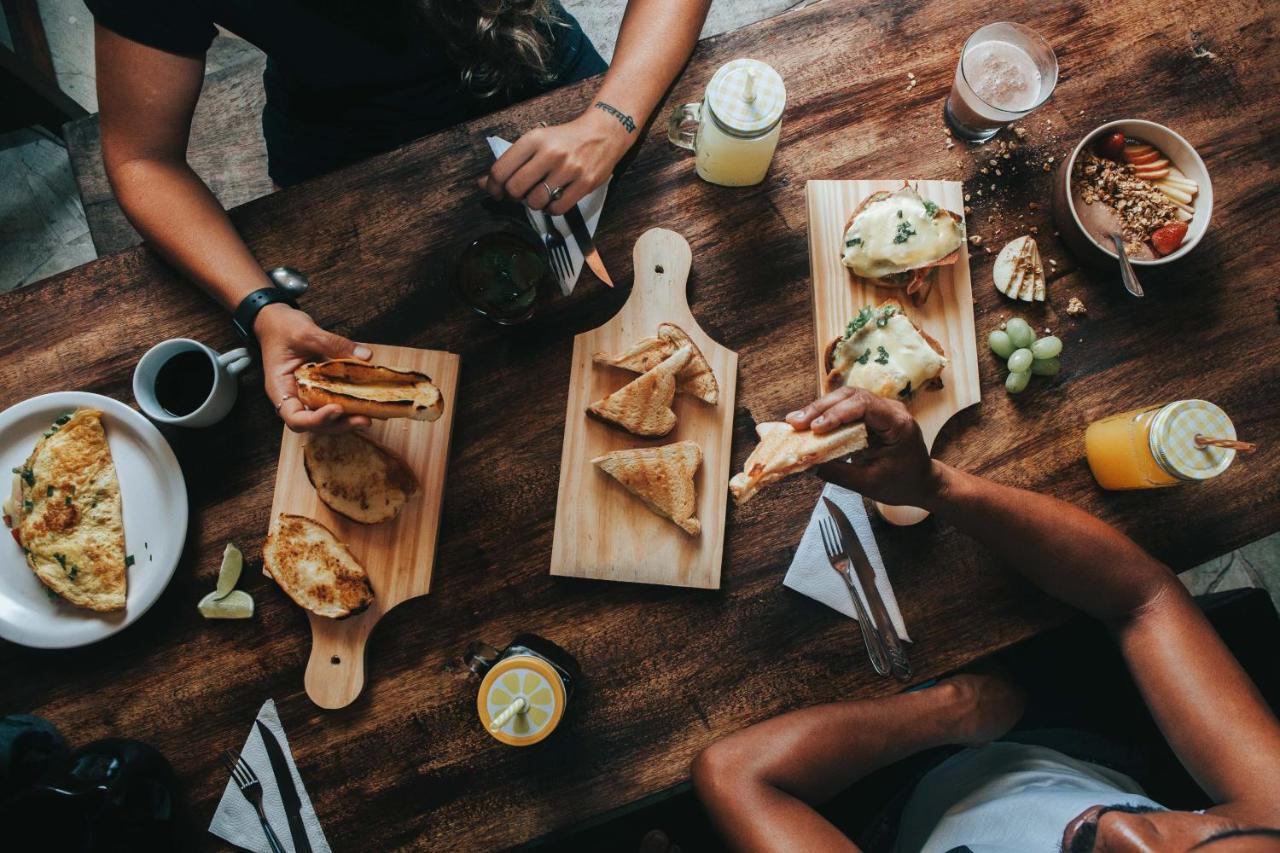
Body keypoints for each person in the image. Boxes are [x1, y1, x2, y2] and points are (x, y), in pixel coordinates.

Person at [692, 387, 1280, 853]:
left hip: (880, 808)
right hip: (1063, 743)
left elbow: (738, 774)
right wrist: (930, 483)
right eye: (1205, 837)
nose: (1124, 832)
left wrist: (945, 711)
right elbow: (1145, 599)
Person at [88, 0, 710, 432]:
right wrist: (260, 307)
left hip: (545, 82)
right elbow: (143, 160)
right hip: (343, 156)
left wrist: (611, 121)